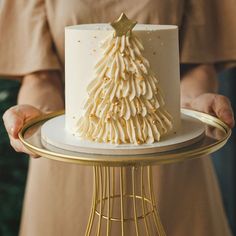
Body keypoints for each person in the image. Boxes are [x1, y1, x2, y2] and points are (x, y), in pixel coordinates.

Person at [0, 0, 236, 235]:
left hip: (168, 158)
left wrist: (189, 105)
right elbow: (39, 77)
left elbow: (197, 65)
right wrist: (38, 117)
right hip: (69, 160)